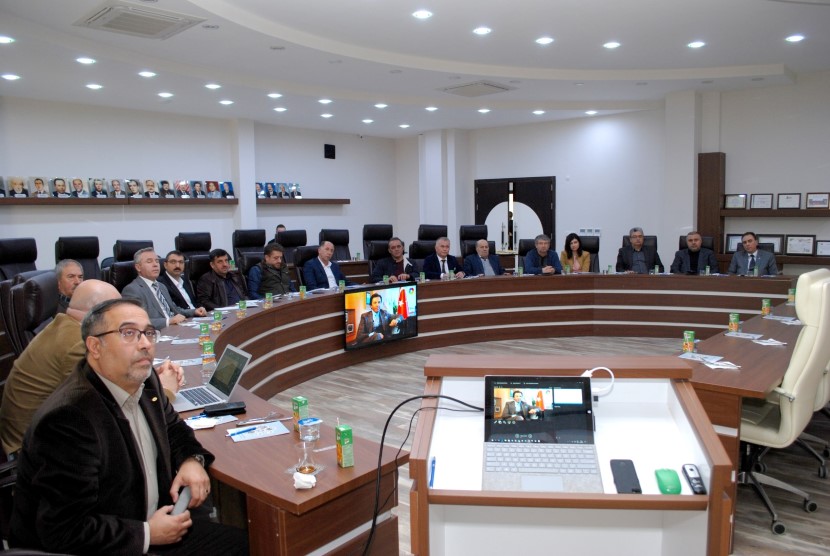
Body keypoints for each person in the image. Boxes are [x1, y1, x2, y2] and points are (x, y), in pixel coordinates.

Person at [9, 299, 247, 555]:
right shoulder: (69, 419)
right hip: (112, 543)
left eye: (148, 333)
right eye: (129, 333)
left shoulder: (145, 379)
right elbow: (63, 529)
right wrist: (147, 534)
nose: (145, 344)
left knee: (253, 544)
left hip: (155, 521)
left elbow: (173, 428)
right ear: (95, 346)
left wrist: (191, 459)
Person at [0, 280, 183, 457]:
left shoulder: (65, 324)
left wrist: (148, 377)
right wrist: (164, 391)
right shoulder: (77, 344)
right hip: (42, 448)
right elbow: (110, 410)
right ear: (97, 314)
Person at [122, 248, 206, 329]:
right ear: (138, 267)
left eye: (157, 261)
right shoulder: (132, 290)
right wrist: (168, 321)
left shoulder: (161, 286)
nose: (155, 265)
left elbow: (175, 309)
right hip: (158, 333)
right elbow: (136, 321)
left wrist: (194, 311)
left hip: (176, 328)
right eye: (149, 261)